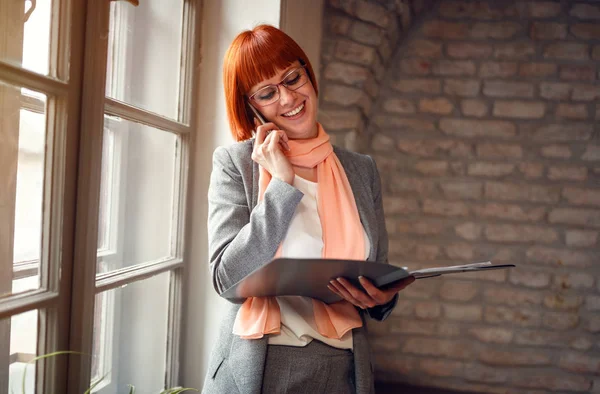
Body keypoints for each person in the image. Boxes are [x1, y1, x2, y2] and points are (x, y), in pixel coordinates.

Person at [203, 24, 415, 394]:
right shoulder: (235, 163)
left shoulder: (360, 169)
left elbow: (374, 269)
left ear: (308, 74)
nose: (288, 99)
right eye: (267, 93)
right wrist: (281, 185)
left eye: (292, 78)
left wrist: (383, 298)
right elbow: (226, 279)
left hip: (345, 368)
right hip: (263, 365)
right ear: (250, 107)